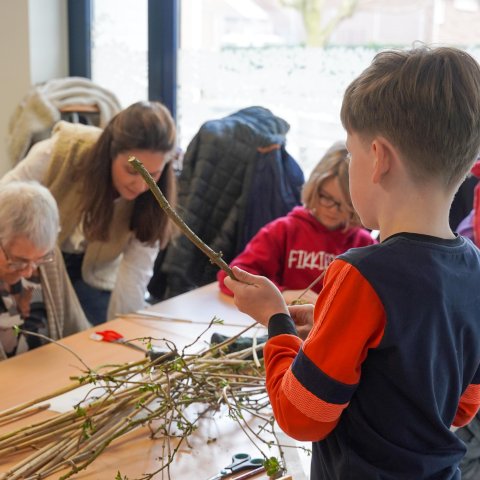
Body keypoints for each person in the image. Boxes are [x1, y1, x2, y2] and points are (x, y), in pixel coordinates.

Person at [224, 45, 480, 479]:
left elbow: (301, 415)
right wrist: (329, 327)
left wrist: (276, 322)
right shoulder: (474, 268)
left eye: (349, 153)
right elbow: (461, 407)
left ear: (378, 158)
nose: (348, 163)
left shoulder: (361, 275)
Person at [1, 101, 177, 325]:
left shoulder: (153, 198)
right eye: (132, 170)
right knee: (34, 331)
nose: (141, 185)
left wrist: (125, 329)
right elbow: (5, 201)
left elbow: (135, 273)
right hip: (41, 263)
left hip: (93, 277)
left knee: (95, 337)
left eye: (153, 174)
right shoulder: (61, 151)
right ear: (111, 152)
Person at [217, 141, 376, 304]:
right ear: (314, 188)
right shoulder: (283, 230)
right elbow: (230, 277)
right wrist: (282, 295)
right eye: (326, 197)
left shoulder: (364, 244)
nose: (333, 210)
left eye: (345, 204)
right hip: (286, 321)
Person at [0, 181, 90, 360]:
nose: (28, 272)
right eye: (18, 261)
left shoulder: (48, 257)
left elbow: (76, 327)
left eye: (39, 260)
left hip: (51, 375)